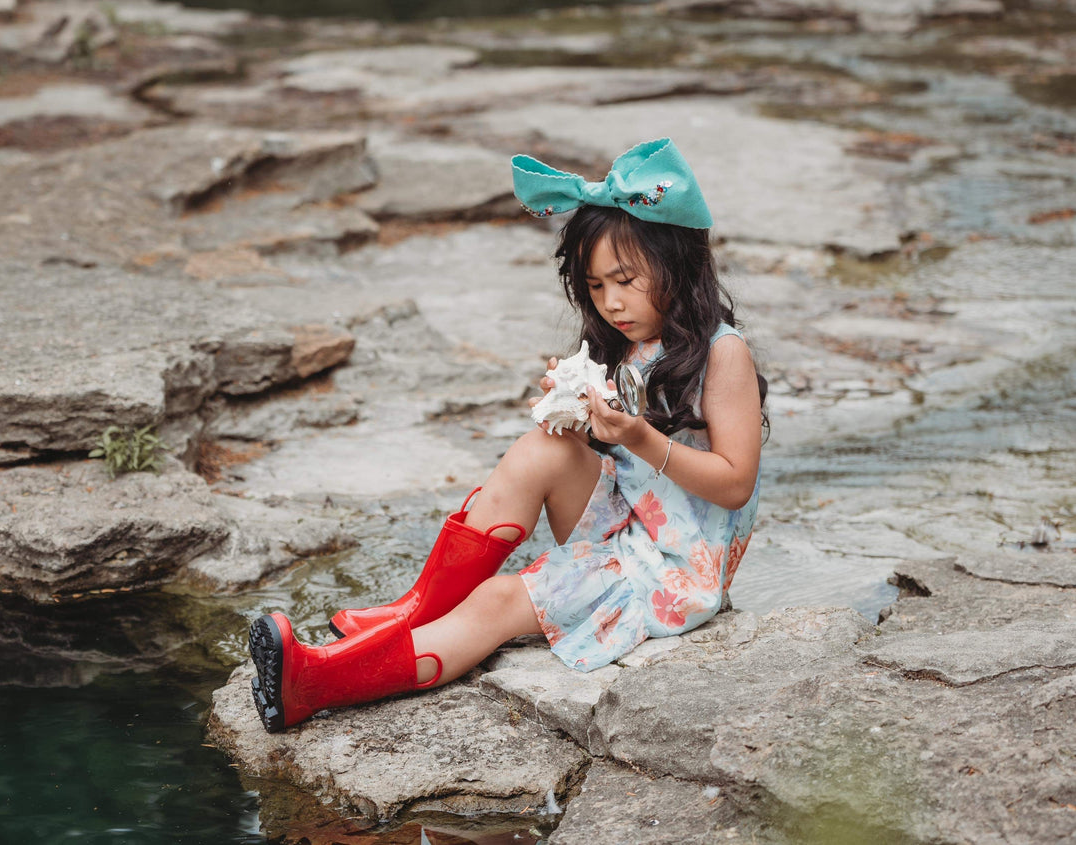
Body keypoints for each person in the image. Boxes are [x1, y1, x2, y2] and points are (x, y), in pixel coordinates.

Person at [249, 138, 766, 733]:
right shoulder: (631, 342)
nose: (611, 303)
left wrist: (636, 435)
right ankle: (415, 612)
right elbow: (620, 456)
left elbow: (734, 484)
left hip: (676, 569)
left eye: (625, 280)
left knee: (496, 601)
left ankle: (315, 684)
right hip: (634, 525)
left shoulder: (723, 354)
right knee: (540, 449)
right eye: (595, 287)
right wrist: (578, 418)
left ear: (678, 263)